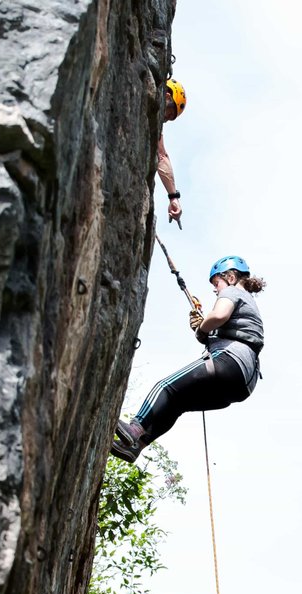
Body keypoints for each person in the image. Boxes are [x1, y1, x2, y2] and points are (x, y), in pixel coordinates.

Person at [112, 256, 266, 463]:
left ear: (230, 277)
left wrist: (202, 329)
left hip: (231, 361)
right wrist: (206, 331)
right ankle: (136, 447)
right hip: (243, 383)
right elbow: (225, 329)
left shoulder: (232, 291)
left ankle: (135, 428)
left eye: (216, 283)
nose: (215, 290)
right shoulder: (249, 304)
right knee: (177, 402)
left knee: (166, 387)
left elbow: (219, 315)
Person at [158, 79, 186, 225]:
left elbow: (161, 155)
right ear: (167, 96)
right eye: (169, 113)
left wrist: (173, 197)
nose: (165, 120)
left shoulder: (154, 122)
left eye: (169, 119)